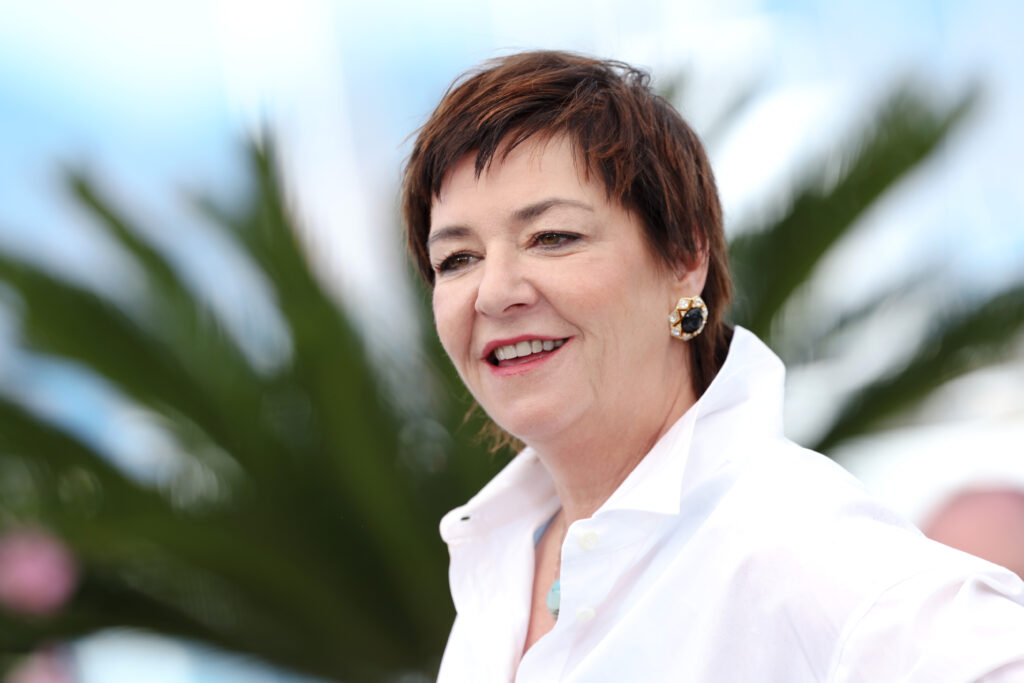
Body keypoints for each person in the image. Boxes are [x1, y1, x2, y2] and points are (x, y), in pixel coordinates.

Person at [401, 50, 1024, 682]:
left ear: (683, 258)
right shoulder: (501, 554)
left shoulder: (792, 542)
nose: (493, 292)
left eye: (553, 237)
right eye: (457, 259)